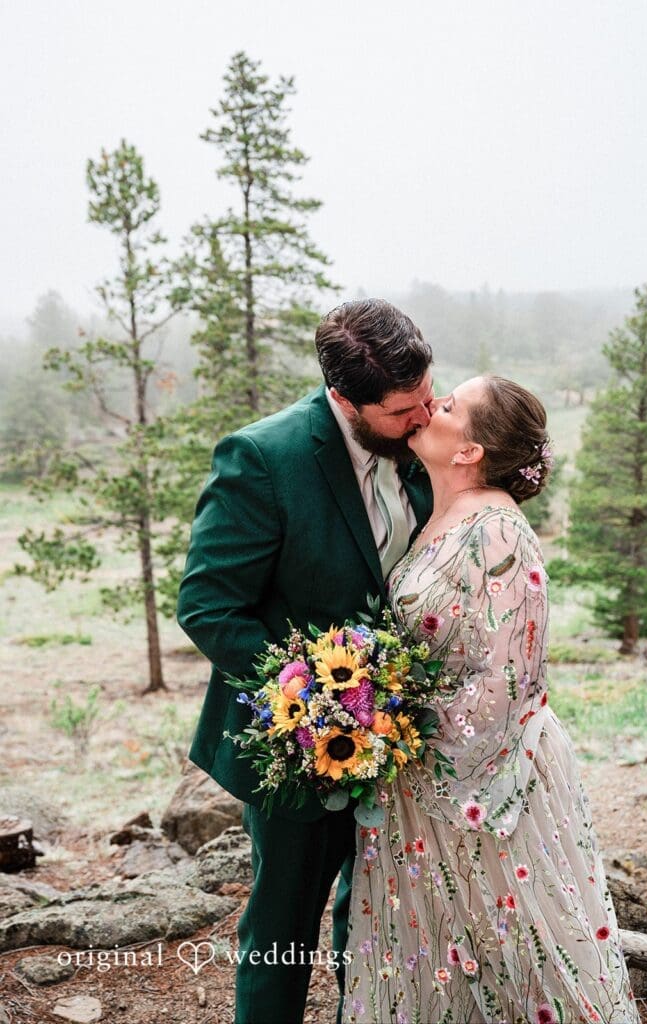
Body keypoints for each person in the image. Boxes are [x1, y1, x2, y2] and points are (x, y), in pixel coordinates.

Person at [342, 376, 639, 1024]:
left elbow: (510, 676)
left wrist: (404, 732)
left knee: (517, 952)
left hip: (489, 783)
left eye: (448, 406)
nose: (431, 408)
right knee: (439, 955)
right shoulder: (438, 511)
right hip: (415, 779)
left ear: (470, 450)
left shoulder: (499, 530)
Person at [177, 298, 435, 1024]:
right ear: (345, 400)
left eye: (428, 399)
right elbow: (206, 606)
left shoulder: (423, 435)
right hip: (292, 747)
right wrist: (313, 699)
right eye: (402, 412)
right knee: (282, 929)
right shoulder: (263, 459)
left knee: (379, 921)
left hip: (401, 745)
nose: (423, 421)